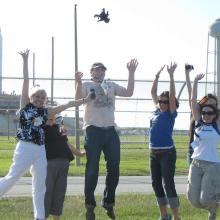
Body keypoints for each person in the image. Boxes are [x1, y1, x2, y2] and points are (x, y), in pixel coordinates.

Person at [0, 49, 91, 220]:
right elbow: (26, 82)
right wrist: (26, 61)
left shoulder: (47, 111)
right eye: (36, 97)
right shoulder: (25, 106)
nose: (39, 99)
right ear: (31, 98)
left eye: (42, 98)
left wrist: (85, 100)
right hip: (25, 148)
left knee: (40, 185)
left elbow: (68, 104)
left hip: (40, 150)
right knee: (12, 177)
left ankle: (39, 217)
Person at [75, 59, 138, 220]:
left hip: (110, 130)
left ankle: (108, 202)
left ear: (105, 72)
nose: (99, 72)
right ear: (91, 72)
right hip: (93, 130)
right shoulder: (86, 85)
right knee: (92, 169)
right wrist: (78, 82)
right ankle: (90, 206)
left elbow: (129, 92)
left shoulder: (111, 85)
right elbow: (77, 100)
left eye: (102, 70)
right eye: (96, 70)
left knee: (114, 168)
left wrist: (131, 72)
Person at [149, 63, 180, 220]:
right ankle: (164, 215)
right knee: (156, 184)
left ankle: (176, 217)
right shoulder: (156, 110)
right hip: (154, 153)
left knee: (168, 184)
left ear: (170, 104)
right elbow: (153, 91)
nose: (162, 103)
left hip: (167, 153)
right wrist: (156, 76)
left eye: (165, 102)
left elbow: (172, 95)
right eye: (160, 101)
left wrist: (171, 76)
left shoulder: (170, 114)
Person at [187, 73, 220, 220]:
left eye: (211, 111)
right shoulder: (199, 122)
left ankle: (212, 209)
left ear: (215, 113)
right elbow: (193, 101)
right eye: (204, 111)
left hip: (212, 165)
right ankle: (214, 203)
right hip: (196, 163)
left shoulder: (217, 125)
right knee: (193, 200)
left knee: (205, 200)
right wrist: (194, 81)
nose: (207, 114)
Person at [44, 115, 85, 220]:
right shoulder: (39, 128)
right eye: (49, 115)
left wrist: (80, 153)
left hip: (64, 163)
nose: (52, 118)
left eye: (53, 116)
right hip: (48, 163)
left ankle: (56, 218)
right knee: (47, 192)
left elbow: (66, 143)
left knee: (60, 193)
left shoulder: (59, 128)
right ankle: (41, 217)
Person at [184, 64, 218, 165]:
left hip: (208, 155)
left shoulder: (216, 118)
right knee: (192, 180)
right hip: (194, 150)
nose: (210, 107)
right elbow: (191, 95)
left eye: (213, 104)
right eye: (208, 103)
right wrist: (189, 76)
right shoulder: (197, 112)